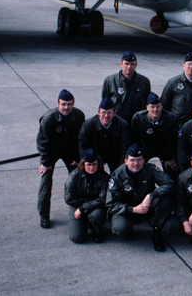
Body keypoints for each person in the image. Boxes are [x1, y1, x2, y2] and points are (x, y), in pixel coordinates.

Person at [106, 144, 174, 252]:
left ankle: (157, 232)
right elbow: (111, 204)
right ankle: (128, 229)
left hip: (146, 205)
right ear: (125, 161)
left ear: (144, 160)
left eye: (139, 160)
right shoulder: (117, 175)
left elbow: (170, 183)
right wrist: (133, 209)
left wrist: (151, 195)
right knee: (120, 228)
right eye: (132, 160)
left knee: (166, 197)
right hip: (127, 210)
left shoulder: (150, 169)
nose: (136, 164)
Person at [36, 89, 85, 228]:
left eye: (69, 104)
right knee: (45, 180)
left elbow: (81, 139)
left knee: (79, 176)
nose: (66, 107)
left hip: (69, 151)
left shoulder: (79, 115)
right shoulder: (49, 118)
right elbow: (42, 142)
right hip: (51, 151)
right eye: (63, 104)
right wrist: (45, 163)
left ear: (73, 104)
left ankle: (81, 209)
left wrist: (78, 159)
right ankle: (44, 215)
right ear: (58, 103)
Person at [64, 149, 110, 243]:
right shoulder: (74, 176)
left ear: (99, 164)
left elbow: (102, 199)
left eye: (94, 164)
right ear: (83, 164)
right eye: (88, 164)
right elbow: (69, 198)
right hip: (76, 206)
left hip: (95, 207)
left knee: (98, 215)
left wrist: (82, 208)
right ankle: (84, 223)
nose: (91, 167)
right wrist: (84, 205)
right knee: (76, 238)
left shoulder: (105, 178)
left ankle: (96, 230)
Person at [131, 92, 178, 177]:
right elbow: (135, 140)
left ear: (161, 107)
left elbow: (173, 141)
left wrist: (169, 158)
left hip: (164, 151)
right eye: (152, 106)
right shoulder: (138, 118)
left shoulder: (171, 119)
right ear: (147, 107)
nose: (155, 109)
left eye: (158, 106)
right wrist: (138, 158)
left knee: (172, 174)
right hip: (145, 150)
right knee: (139, 174)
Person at [79, 97, 131, 173]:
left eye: (109, 112)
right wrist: (90, 164)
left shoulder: (122, 125)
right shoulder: (88, 126)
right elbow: (83, 147)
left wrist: (122, 167)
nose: (106, 115)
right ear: (98, 112)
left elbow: (126, 147)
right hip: (95, 156)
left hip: (115, 156)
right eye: (103, 112)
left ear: (114, 113)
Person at [101, 50, 151, 123]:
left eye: (132, 64)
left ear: (136, 65)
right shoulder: (110, 81)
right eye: (126, 64)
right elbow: (105, 104)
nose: (129, 67)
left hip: (136, 122)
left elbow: (147, 104)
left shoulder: (144, 82)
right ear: (121, 64)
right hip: (116, 123)